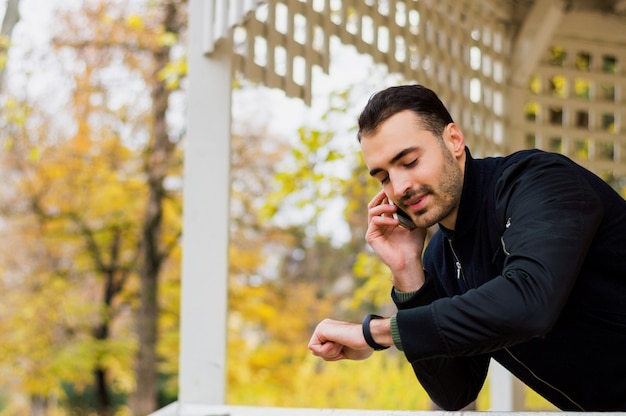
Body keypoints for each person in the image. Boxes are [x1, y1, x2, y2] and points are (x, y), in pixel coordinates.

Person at [308, 84, 626, 411]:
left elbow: (531, 302)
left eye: (409, 161)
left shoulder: (538, 182)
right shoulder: (439, 258)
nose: (399, 187)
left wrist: (376, 333)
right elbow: (455, 391)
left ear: (454, 140)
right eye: (384, 177)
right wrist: (406, 271)